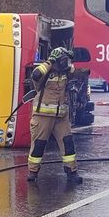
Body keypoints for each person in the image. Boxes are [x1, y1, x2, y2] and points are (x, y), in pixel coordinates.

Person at [26, 47, 81, 184]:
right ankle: (33, 172)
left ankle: (71, 172)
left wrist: (71, 57)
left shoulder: (65, 73)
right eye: (63, 60)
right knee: (39, 145)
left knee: (68, 144)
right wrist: (50, 61)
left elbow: (79, 73)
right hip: (43, 116)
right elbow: (36, 75)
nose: (65, 63)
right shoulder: (45, 72)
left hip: (61, 117)